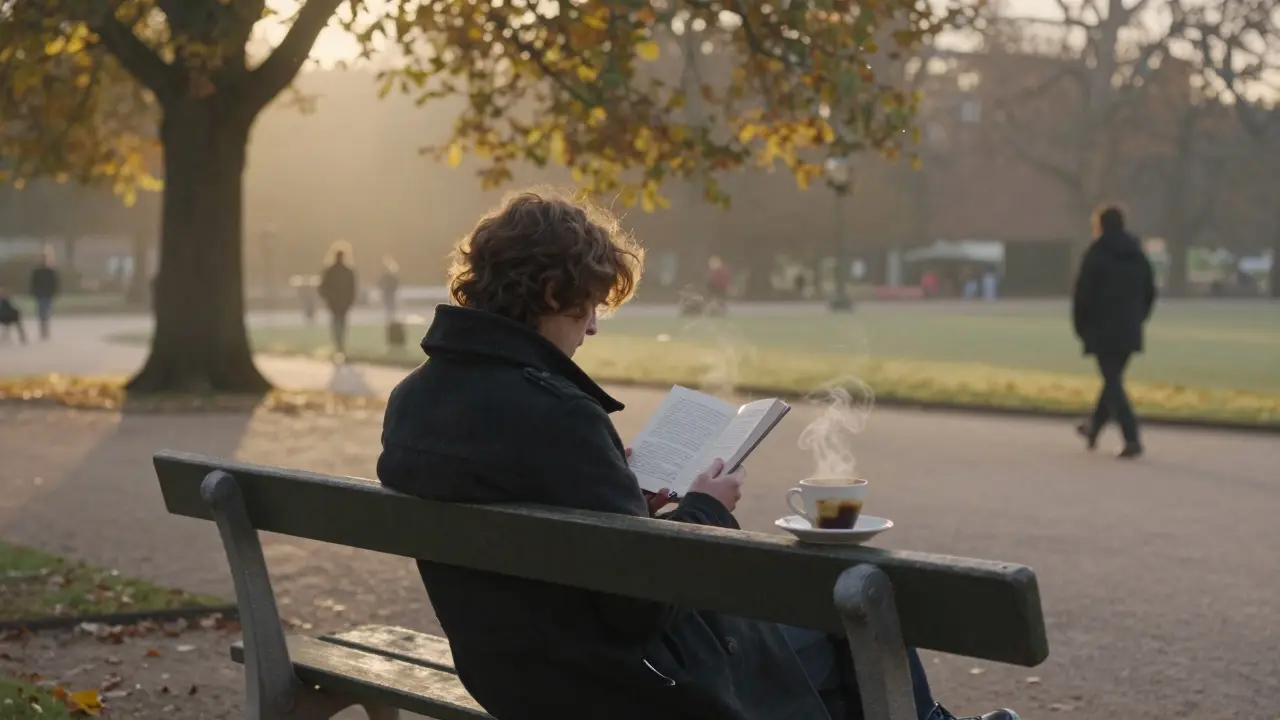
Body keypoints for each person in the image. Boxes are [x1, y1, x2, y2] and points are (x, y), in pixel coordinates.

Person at [377, 190, 1017, 720]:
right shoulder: (559, 414)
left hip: (515, 675)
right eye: (589, 305)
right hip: (626, 686)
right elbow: (640, 606)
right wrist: (707, 508)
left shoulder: (413, 398)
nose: (593, 326)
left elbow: (544, 516)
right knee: (846, 611)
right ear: (549, 292)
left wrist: (622, 497)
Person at [1072, 205, 1157, 459]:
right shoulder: (1137, 254)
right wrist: (1138, 317)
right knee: (1112, 380)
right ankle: (1093, 428)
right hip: (1129, 326)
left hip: (1102, 326)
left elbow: (1083, 295)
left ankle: (1132, 437)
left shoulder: (1096, 254)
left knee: (1112, 381)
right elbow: (1149, 291)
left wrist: (1081, 326)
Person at [318, 242, 357, 359]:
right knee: (339, 323)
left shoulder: (338, 271)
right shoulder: (337, 271)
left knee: (339, 323)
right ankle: (339, 345)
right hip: (338, 302)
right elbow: (323, 287)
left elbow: (352, 288)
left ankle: (339, 345)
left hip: (339, 302)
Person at [29, 246, 60, 340]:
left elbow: (55, 283)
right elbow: (33, 282)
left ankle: (44, 329)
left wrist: (53, 292)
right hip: (41, 294)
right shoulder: (38, 271)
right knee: (42, 313)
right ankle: (44, 330)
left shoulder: (50, 271)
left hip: (47, 294)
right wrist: (34, 292)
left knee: (45, 312)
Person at [378, 256, 401, 323]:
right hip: (387, 291)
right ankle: (390, 316)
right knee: (388, 304)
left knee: (390, 304)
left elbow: (395, 282)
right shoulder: (386, 274)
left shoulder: (391, 271)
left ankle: (391, 316)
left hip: (390, 291)